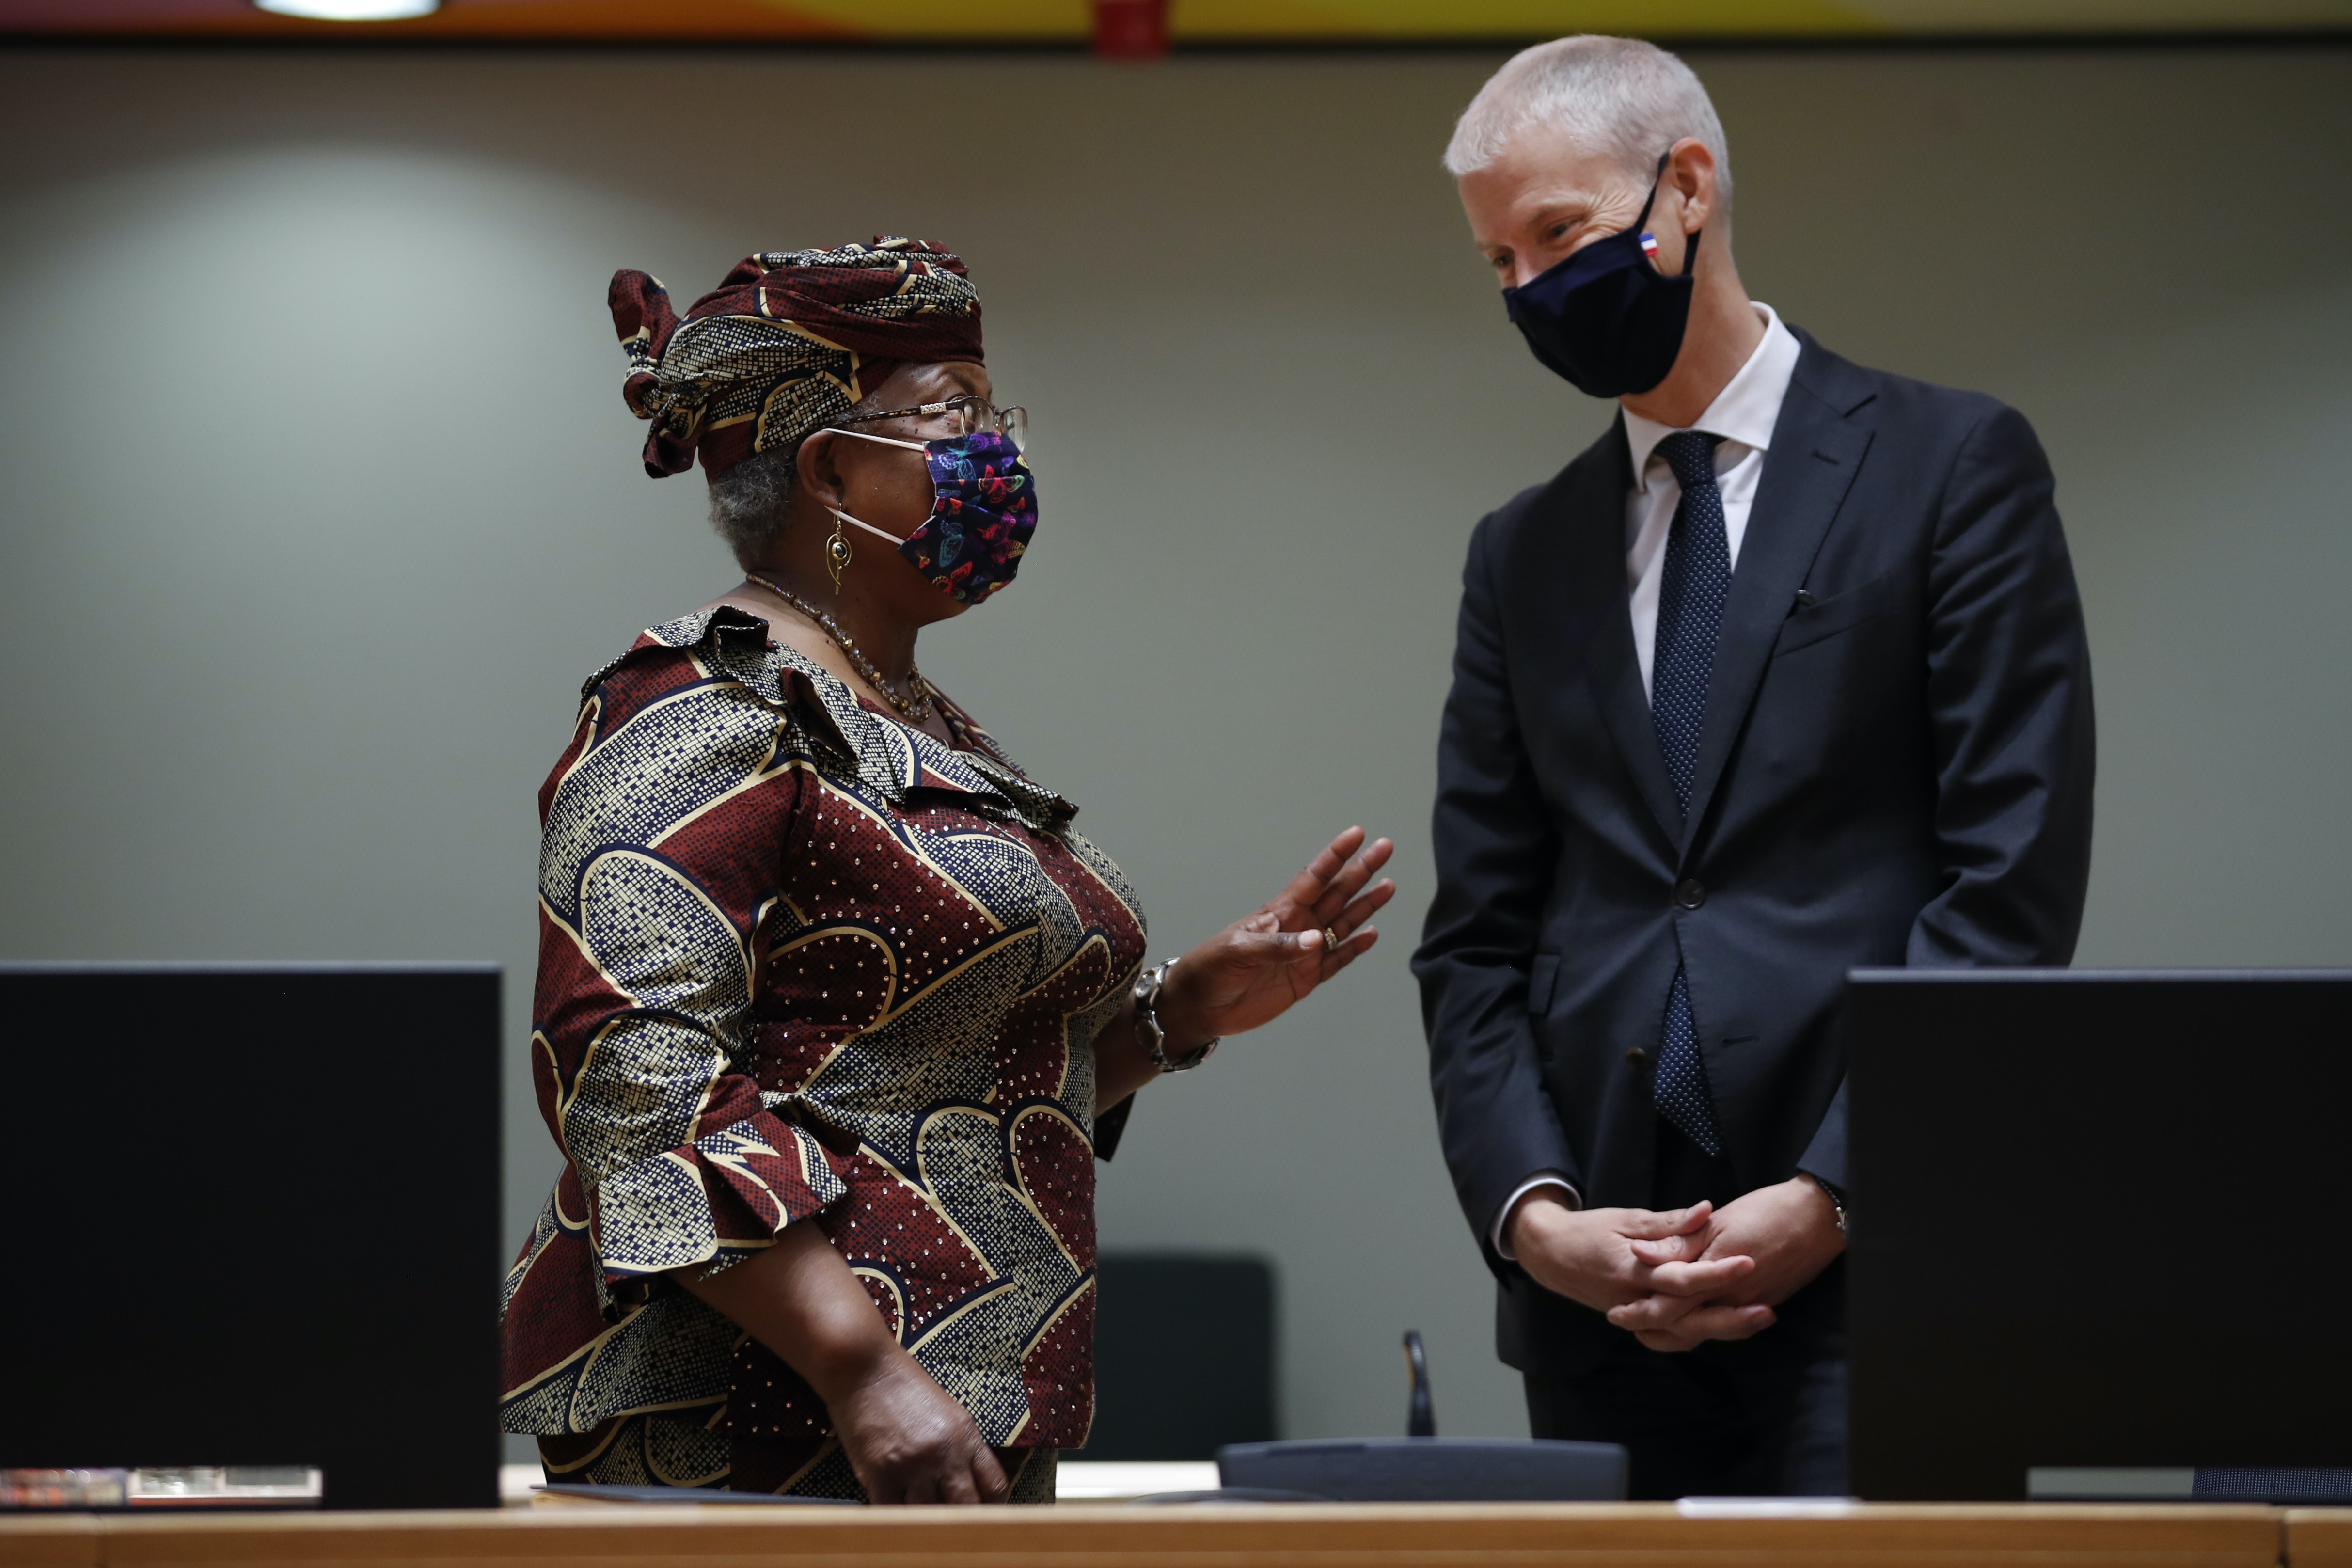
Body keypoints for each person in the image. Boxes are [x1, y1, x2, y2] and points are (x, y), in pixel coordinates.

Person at [499, 238, 1394, 1503]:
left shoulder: (916, 721)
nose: (999, 453)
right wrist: (860, 1365)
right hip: (763, 1419)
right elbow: (633, 1065)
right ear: (830, 469)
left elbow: (932, 1081)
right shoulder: (703, 704)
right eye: (957, 415)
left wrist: (1177, 1015)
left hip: (947, 1409)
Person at [1411, 40, 2094, 1498]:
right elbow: (1475, 941)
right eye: (1496, 262)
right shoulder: (1520, 553)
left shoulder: (1951, 464)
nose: (1529, 290)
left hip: (1890, 1267)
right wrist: (1537, 1220)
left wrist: (1834, 1194)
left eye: (1559, 236)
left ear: (1690, 189)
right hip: (1607, 1294)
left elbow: (2009, 891)